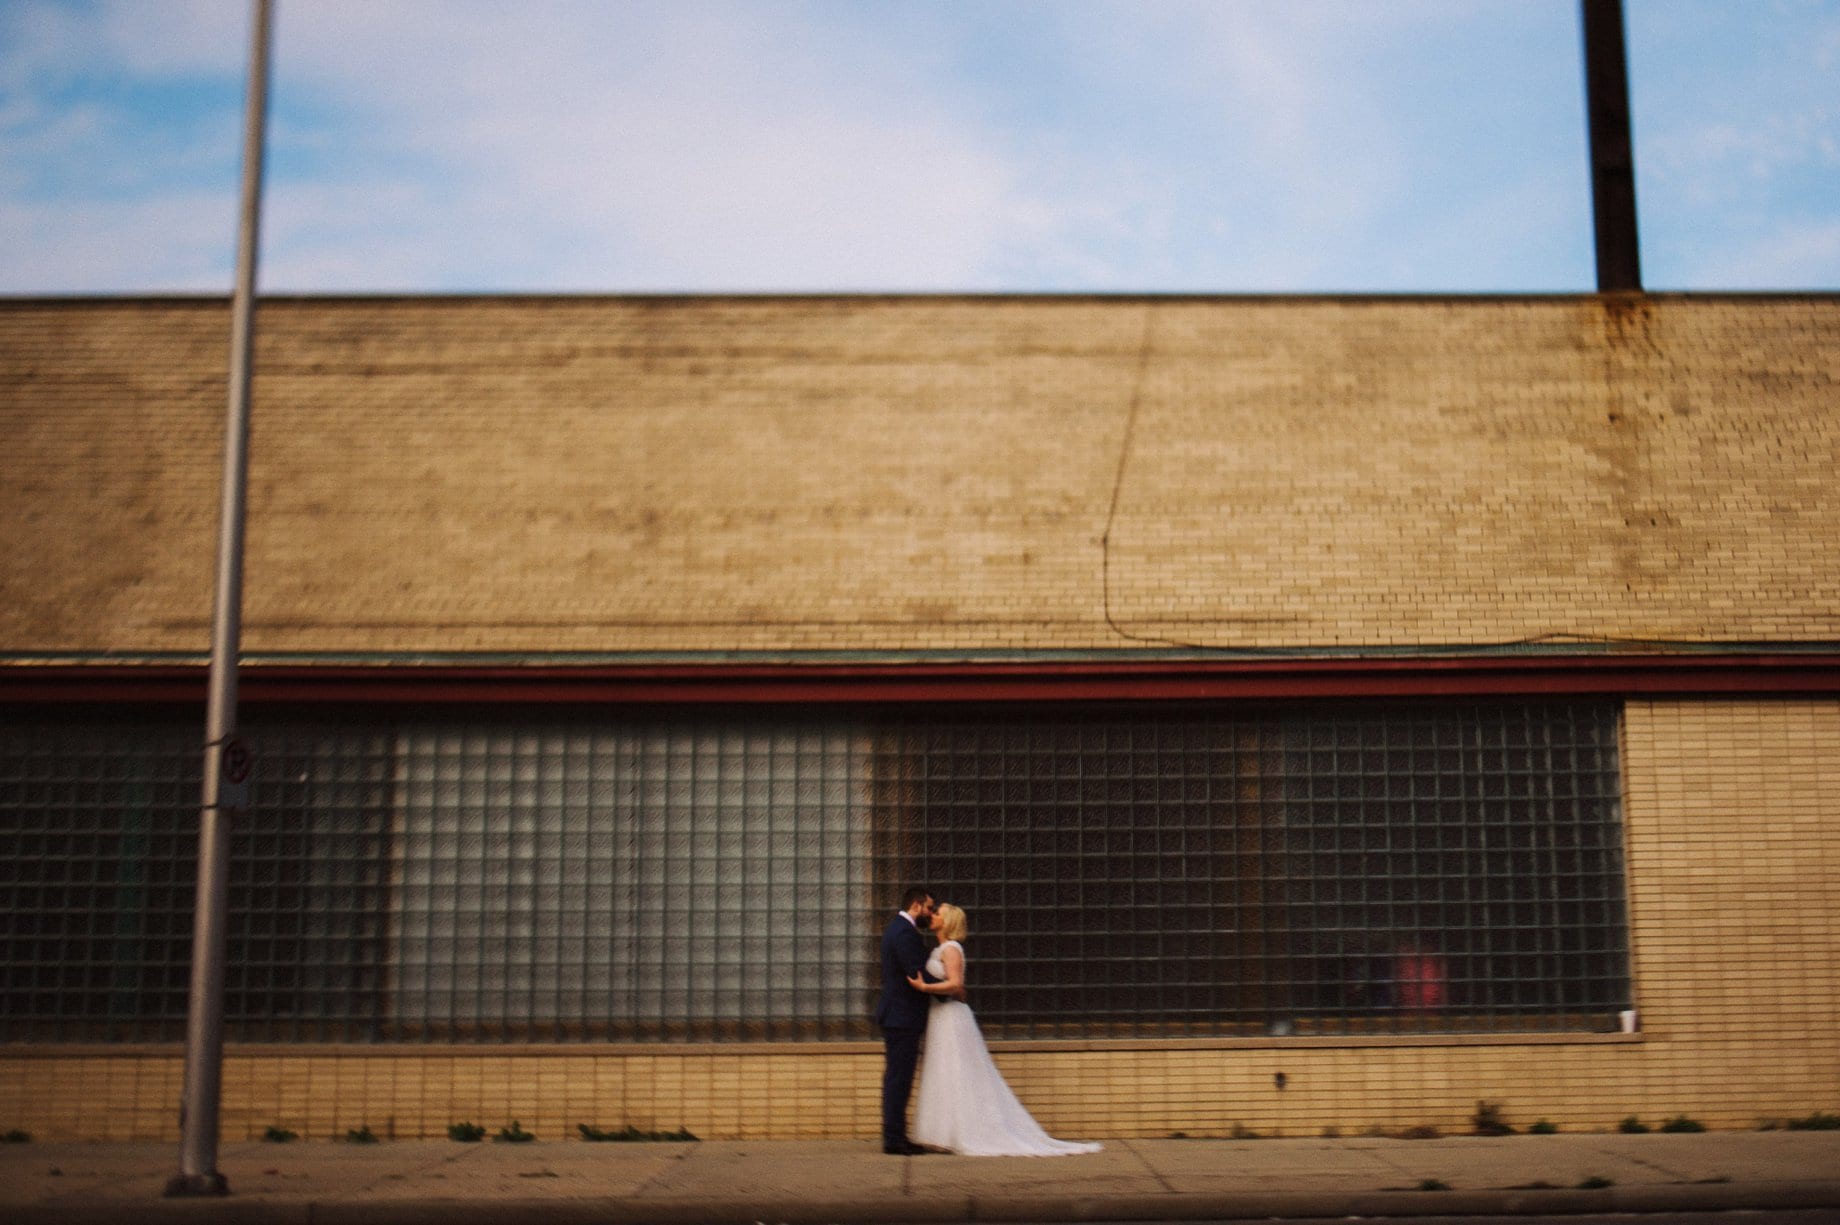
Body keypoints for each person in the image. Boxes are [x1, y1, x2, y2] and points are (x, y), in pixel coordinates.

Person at [906, 904, 1101, 1157]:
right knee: (943, 1070)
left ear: (947, 921)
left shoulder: (952, 949)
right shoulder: (940, 949)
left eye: (937, 913)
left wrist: (924, 988)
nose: (931, 915)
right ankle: (945, 1131)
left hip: (952, 1017)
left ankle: (962, 1131)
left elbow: (956, 984)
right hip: (940, 1016)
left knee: (957, 1070)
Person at [875, 886, 939, 1155]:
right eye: (929, 908)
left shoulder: (900, 930)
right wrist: (952, 989)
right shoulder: (903, 933)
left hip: (900, 1015)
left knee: (898, 1077)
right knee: (899, 1078)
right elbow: (917, 973)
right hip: (902, 1016)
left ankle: (896, 1133)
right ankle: (894, 1138)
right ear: (916, 904)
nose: (931, 913)